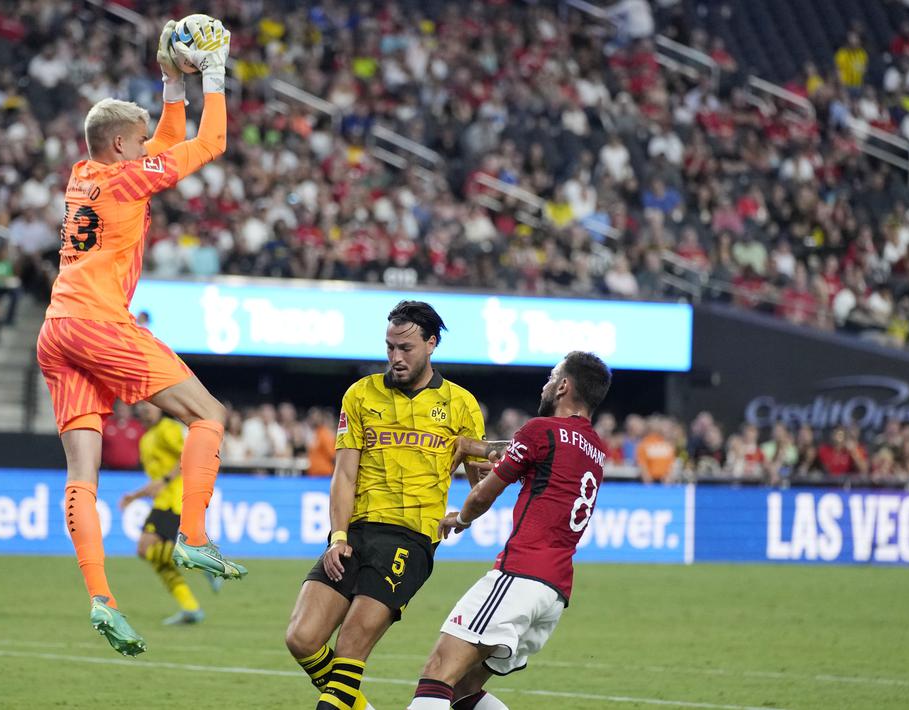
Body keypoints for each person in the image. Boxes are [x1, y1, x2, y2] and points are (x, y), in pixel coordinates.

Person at [33, 17, 240, 656]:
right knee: (209, 414)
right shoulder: (127, 178)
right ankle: (194, 535)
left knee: (81, 474)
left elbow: (166, 136)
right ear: (124, 146)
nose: (151, 143)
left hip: (55, 330)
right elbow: (211, 142)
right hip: (99, 324)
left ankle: (102, 598)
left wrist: (168, 80)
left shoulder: (82, 173)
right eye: (141, 139)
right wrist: (212, 74)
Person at [284, 301, 489, 710]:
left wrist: (476, 468)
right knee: (302, 638)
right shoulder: (360, 395)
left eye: (406, 348)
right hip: (355, 532)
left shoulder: (461, 404)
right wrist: (337, 536)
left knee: (348, 654)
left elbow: (482, 484)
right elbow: (343, 475)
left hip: (409, 540)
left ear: (431, 344)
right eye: (390, 347)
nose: (395, 357)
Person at [407, 351, 613, 710]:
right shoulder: (595, 448)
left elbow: (485, 493)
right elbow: (538, 458)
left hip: (521, 574)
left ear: (563, 386)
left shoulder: (540, 430)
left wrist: (460, 519)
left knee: (439, 670)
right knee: (464, 689)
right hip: (554, 593)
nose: (545, 383)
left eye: (552, 376)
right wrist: (488, 450)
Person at [119, 402, 221, 626]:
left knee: (145, 548)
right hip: (164, 500)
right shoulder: (146, 439)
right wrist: (134, 496)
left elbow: (189, 456)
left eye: (151, 406)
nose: (147, 410)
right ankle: (190, 607)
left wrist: (165, 481)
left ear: (159, 408)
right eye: (142, 407)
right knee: (154, 556)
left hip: (177, 499)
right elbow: (156, 481)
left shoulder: (168, 428)